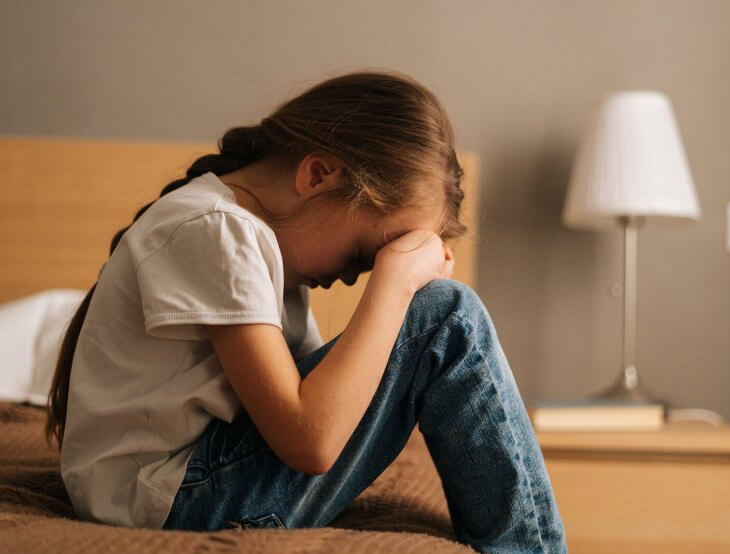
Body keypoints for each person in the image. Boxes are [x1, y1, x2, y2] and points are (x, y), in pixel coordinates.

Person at [44, 69, 567, 553]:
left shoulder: (261, 248)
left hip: (188, 490)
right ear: (317, 175)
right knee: (447, 315)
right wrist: (396, 283)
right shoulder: (215, 230)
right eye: (366, 254)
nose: (352, 276)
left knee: (437, 315)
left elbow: (330, 407)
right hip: (178, 504)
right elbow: (310, 440)